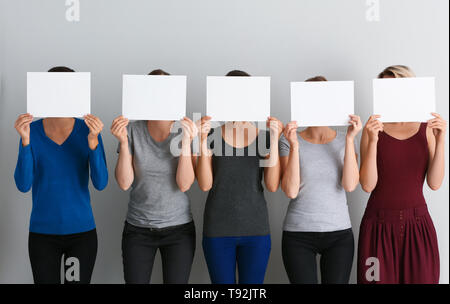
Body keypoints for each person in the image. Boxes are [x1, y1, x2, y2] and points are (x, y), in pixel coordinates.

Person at [14, 66, 108, 284]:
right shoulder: (31, 131)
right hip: (42, 235)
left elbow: (101, 182)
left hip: (80, 235)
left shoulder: (88, 130)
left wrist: (93, 143)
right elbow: (23, 184)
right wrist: (26, 142)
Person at [358, 65, 446, 284]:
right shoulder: (372, 129)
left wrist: (441, 140)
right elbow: (367, 185)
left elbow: (435, 184)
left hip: (418, 228)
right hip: (377, 228)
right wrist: (373, 140)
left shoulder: (427, 128)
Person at [196, 70, 283, 284]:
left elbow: (272, 185)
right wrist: (201, 141)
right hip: (218, 229)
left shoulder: (264, 136)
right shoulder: (211, 135)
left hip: (256, 230)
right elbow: (205, 185)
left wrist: (274, 140)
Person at [111, 69, 197, 284]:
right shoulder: (131, 130)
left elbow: (185, 184)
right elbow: (124, 183)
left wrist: (186, 142)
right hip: (138, 229)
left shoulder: (185, 131)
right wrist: (122, 142)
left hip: (179, 230)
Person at [279, 76, 362, 284]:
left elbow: (350, 185)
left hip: (339, 234)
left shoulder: (346, 139)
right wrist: (295, 145)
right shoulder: (288, 140)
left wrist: (351, 140)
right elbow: (290, 191)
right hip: (298, 235)